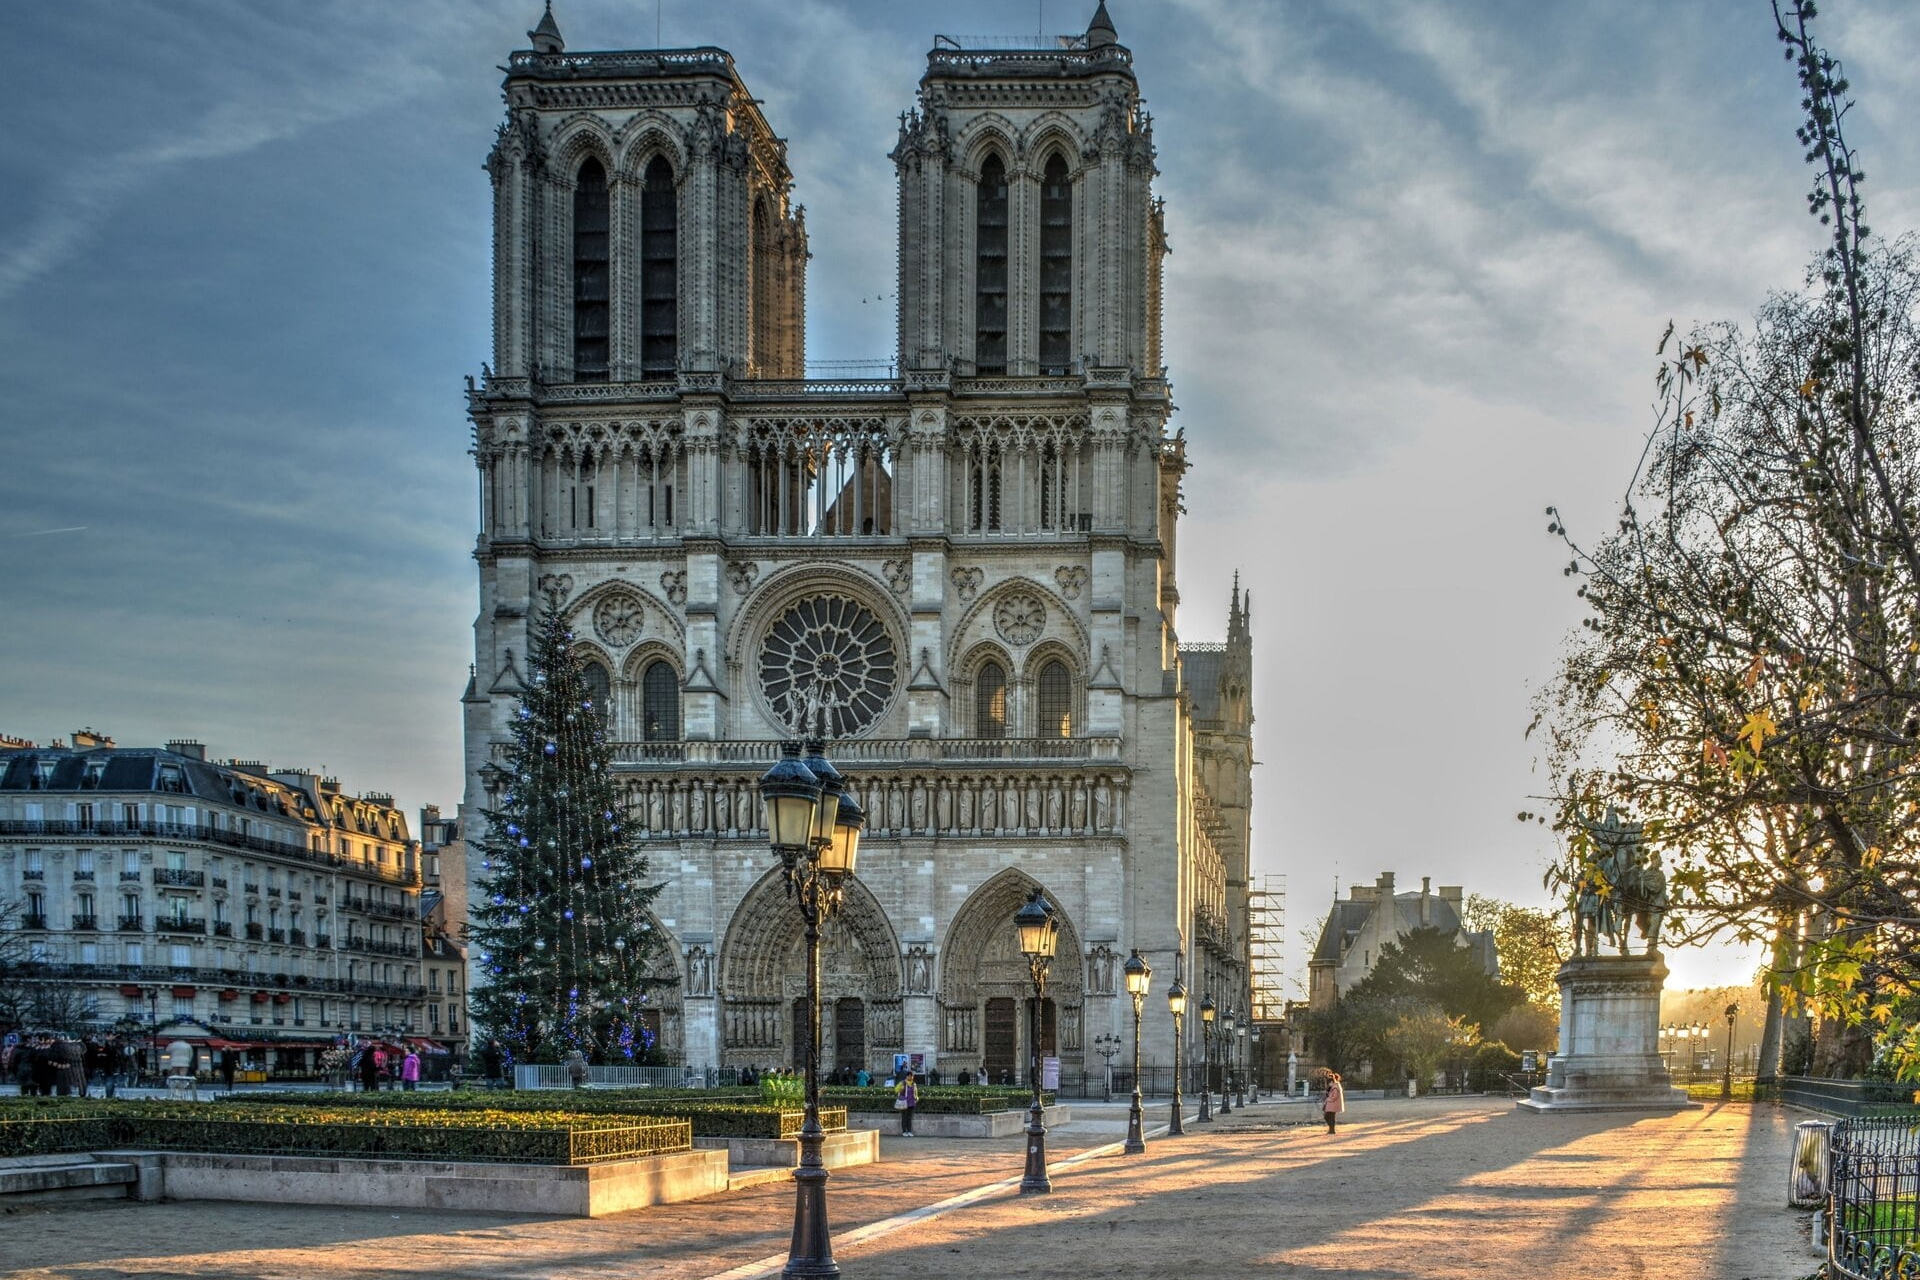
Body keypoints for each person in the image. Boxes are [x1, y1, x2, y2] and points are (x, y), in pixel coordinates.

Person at [894, 1071, 918, 1137]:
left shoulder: (914, 1084)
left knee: (909, 1118)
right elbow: (896, 1090)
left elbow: (916, 1092)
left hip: (912, 1103)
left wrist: (917, 1098)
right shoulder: (903, 1083)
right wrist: (900, 1089)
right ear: (907, 1076)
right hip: (904, 1103)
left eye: (911, 1076)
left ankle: (909, 1131)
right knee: (904, 1117)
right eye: (909, 1076)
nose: (910, 1077)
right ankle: (904, 1131)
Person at [1323, 1071, 1346, 1135]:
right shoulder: (1335, 1086)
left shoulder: (1335, 1087)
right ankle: (1331, 1129)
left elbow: (1334, 1097)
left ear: (1331, 1082)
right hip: (1332, 1105)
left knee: (1328, 1117)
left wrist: (1328, 1099)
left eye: (1329, 1083)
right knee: (1330, 1117)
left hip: (1333, 1105)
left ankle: (1332, 1129)